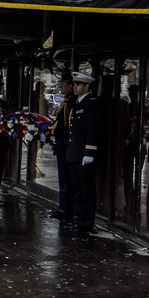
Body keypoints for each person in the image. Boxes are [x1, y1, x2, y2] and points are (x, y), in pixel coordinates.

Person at [66, 72, 100, 237]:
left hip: (84, 155)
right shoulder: (76, 103)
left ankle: (86, 223)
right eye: (75, 84)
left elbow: (92, 129)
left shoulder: (91, 103)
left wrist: (89, 151)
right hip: (74, 154)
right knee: (77, 189)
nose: (75, 87)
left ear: (87, 86)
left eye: (79, 84)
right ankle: (78, 219)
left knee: (86, 189)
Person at [49, 72, 77, 221]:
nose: (61, 87)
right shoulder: (66, 101)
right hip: (63, 146)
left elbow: (62, 125)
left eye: (64, 85)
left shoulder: (70, 102)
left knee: (65, 179)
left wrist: (49, 131)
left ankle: (66, 209)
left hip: (65, 146)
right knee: (64, 179)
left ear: (71, 86)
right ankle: (65, 207)